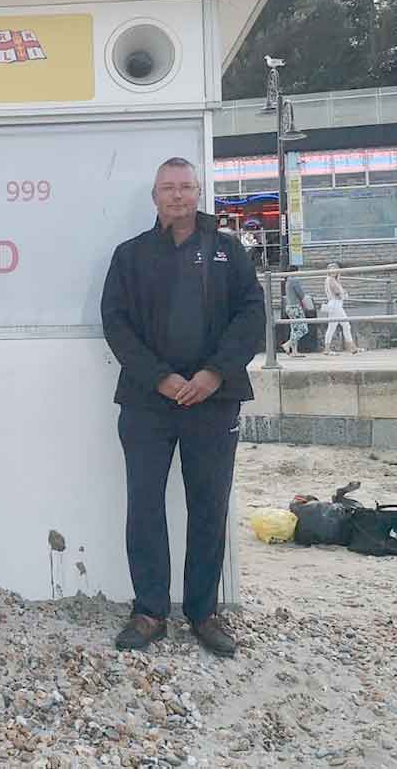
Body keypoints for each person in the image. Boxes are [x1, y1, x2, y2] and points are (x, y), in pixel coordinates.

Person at [101, 157, 264, 658]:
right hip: (149, 402)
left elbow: (252, 314)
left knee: (209, 508)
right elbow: (116, 323)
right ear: (154, 197)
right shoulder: (130, 256)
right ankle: (150, 609)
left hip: (215, 402)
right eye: (167, 188)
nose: (177, 196)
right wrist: (162, 378)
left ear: (198, 193)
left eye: (185, 187)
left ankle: (203, 612)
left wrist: (213, 374)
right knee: (145, 506)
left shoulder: (227, 251)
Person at [323, 263, 359, 354]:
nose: (334, 271)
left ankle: (327, 348)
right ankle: (352, 347)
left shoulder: (332, 280)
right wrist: (344, 295)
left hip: (335, 304)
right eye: (332, 269)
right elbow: (338, 294)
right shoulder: (331, 280)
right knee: (345, 325)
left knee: (332, 327)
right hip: (336, 304)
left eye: (335, 269)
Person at [281, 274, 310, 356]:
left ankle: (294, 351)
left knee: (294, 329)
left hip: (289, 307)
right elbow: (301, 294)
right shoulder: (294, 280)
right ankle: (288, 344)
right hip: (296, 307)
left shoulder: (287, 281)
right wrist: (306, 305)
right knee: (304, 329)